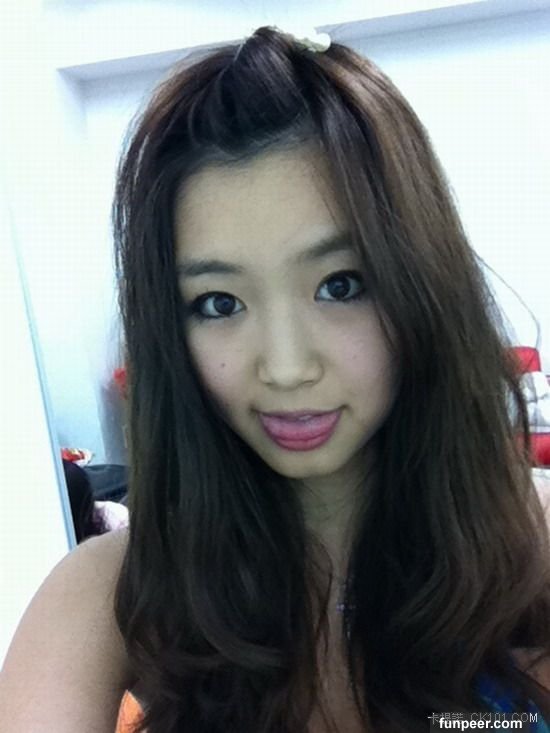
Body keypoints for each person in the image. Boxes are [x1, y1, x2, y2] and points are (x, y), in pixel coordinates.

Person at [1, 24, 550, 733]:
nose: (287, 367)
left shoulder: (531, 543)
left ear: (421, 283)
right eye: (219, 303)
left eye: (340, 285)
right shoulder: (111, 592)